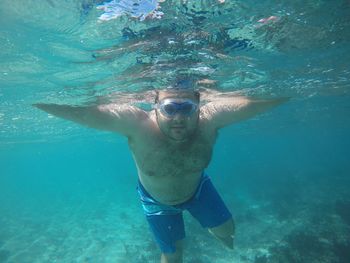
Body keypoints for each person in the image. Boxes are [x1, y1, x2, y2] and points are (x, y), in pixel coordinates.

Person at [34, 84, 287, 263]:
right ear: (155, 107)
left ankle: (217, 233)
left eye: (186, 108)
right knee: (173, 256)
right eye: (169, 108)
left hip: (197, 190)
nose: (178, 118)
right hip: (156, 203)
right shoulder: (138, 125)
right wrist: (33, 99)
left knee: (228, 232)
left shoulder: (210, 120)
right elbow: (86, 114)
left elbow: (257, 102)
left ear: (199, 106)